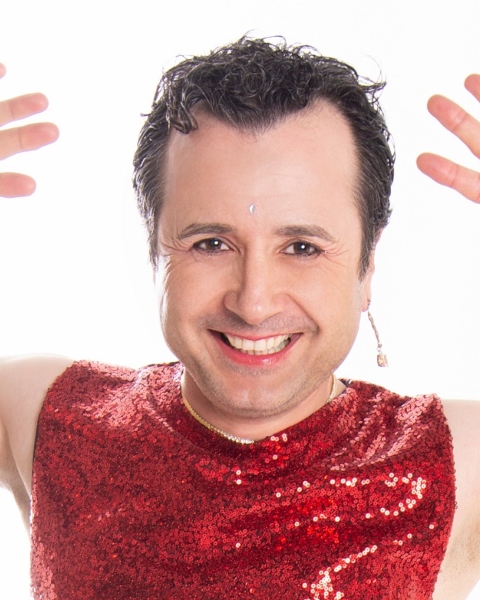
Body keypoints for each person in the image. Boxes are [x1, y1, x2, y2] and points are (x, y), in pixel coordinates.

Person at [0, 37, 479, 599]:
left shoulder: (459, 459)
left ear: (368, 263)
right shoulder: (47, 413)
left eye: (301, 247)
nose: (253, 303)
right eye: (210, 243)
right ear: (154, 250)